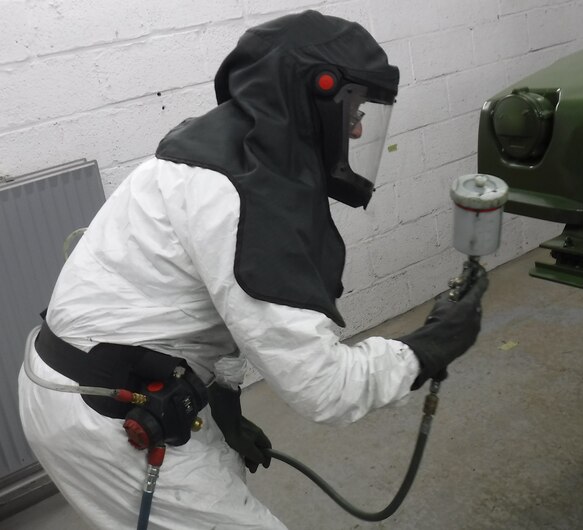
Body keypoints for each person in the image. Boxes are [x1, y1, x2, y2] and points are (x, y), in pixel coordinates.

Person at [17, 11, 487, 529]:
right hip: (105, 414)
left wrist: (224, 402)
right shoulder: (251, 198)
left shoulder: (211, 151)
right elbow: (325, 388)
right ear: (312, 96)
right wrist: (426, 348)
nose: (357, 127)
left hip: (101, 378)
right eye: (354, 106)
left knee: (220, 479)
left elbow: (214, 308)